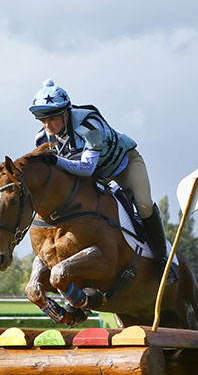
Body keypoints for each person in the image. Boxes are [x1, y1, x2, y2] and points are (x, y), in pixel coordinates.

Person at [28, 78, 175, 282]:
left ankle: (163, 261)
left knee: (143, 205)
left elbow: (87, 168)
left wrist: (56, 160)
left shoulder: (89, 125)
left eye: (51, 118)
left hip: (123, 165)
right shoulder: (42, 138)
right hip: (98, 175)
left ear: (65, 112)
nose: (46, 125)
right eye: (41, 120)